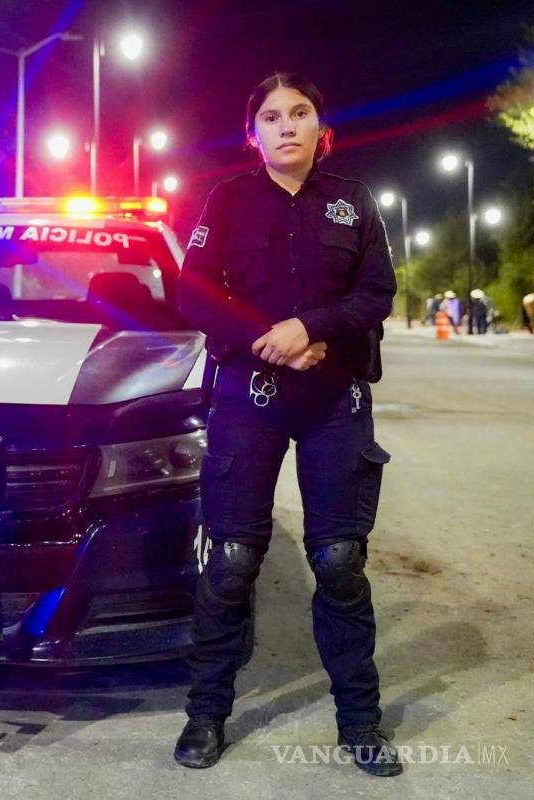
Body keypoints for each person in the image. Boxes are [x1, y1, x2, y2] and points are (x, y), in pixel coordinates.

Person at [174, 72, 400, 777]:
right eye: (271, 117)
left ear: (319, 125)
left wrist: (311, 326)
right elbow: (193, 288)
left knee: (339, 562)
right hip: (253, 391)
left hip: (336, 400)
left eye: (299, 113)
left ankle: (360, 720)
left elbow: (378, 291)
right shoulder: (228, 199)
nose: (286, 126)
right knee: (232, 562)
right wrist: (267, 337)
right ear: (254, 134)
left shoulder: (353, 202)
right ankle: (207, 713)